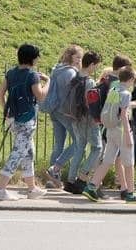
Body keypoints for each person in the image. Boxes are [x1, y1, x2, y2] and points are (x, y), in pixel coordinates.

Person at [0, 43, 49, 200]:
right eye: (37, 57)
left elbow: (0, 94)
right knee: (17, 153)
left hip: (14, 119)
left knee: (29, 152)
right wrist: (48, 81)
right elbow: (40, 96)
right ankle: (0, 189)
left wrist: (8, 110)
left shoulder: (11, 73)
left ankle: (32, 189)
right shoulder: (32, 75)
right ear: (32, 59)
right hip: (28, 119)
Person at [82, 65, 136, 203]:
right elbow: (124, 114)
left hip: (110, 129)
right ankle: (130, 193)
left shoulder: (113, 89)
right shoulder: (126, 93)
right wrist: (128, 134)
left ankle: (91, 186)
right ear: (131, 79)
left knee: (107, 160)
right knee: (129, 163)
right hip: (121, 130)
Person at [62, 51, 102, 194]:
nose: (96, 69)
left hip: (74, 117)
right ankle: (82, 177)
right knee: (97, 148)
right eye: (96, 66)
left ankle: (70, 181)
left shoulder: (74, 78)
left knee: (80, 147)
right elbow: (90, 103)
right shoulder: (89, 82)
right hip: (87, 119)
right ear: (91, 65)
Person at [41, 45, 81, 189]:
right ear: (71, 57)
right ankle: (55, 168)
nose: (79, 60)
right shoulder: (70, 72)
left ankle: (52, 180)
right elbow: (72, 94)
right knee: (79, 141)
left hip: (54, 109)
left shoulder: (56, 69)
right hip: (65, 112)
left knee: (59, 144)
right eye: (77, 57)